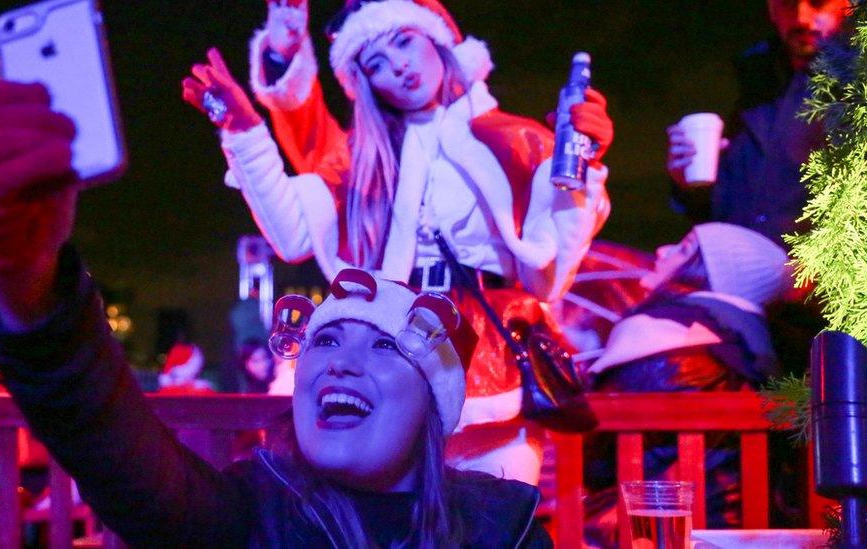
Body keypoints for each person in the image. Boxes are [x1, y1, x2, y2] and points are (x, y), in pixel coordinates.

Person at [0, 78, 553, 546]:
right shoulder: (244, 515)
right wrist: (27, 277)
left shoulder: (503, 528)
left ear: (437, 402)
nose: (339, 363)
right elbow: (102, 438)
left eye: (384, 345)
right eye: (325, 341)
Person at [182, 0, 614, 485]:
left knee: (494, 522)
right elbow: (292, 233)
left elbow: (549, 274)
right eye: (376, 64)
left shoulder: (517, 138)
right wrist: (244, 133)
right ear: (365, 83)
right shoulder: (361, 153)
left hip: (489, 353)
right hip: (393, 343)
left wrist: (584, 170)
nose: (398, 67)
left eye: (404, 41)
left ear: (437, 40)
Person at [581, 222, 792, 547]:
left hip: (653, 528)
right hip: (747, 527)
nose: (662, 251)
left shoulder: (657, 334)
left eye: (683, 248)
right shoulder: (759, 352)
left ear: (708, 272)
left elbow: (597, 459)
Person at [667, 0, 849, 246]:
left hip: (815, 279)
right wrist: (688, 183)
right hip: (730, 268)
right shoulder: (747, 78)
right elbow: (722, 209)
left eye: (817, 3)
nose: (801, 18)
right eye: (788, 4)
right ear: (772, 9)